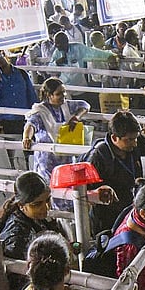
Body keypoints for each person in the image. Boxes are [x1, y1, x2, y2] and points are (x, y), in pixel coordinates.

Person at [21, 78, 90, 210]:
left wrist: (76, 117)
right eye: (59, 94)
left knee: (70, 192)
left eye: (64, 92)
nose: (63, 96)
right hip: (48, 162)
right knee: (52, 191)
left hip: (67, 159)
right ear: (49, 95)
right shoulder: (40, 111)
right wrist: (26, 138)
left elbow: (85, 105)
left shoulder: (66, 106)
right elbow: (30, 125)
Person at [0, 172, 68, 290]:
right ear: (21, 205)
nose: (46, 207)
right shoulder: (16, 236)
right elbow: (17, 280)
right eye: (37, 204)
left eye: (48, 200)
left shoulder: (38, 217)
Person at [0, 50, 38, 134]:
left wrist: (35, 115)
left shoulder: (21, 73)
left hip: (24, 118)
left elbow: (32, 97)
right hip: (5, 120)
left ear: (3, 54)